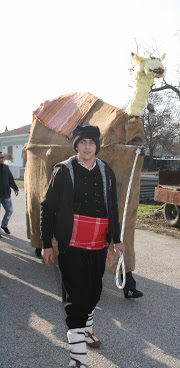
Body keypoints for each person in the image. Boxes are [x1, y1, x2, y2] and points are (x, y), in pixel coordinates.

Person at [40, 125, 125, 368]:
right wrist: (47, 243)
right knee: (76, 300)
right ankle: (77, 359)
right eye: (83, 142)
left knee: (93, 293)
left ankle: (86, 331)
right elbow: (48, 207)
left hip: (98, 244)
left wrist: (117, 239)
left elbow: (113, 206)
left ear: (97, 146)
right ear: (76, 145)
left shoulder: (106, 171)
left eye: (91, 143)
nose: (87, 147)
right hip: (72, 245)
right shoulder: (64, 171)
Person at [0, 151, 19, 237]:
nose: (2, 159)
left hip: (6, 194)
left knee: (9, 211)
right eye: (1, 157)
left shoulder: (6, 167)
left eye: (2, 157)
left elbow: (10, 179)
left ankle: (4, 225)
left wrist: (15, 188)